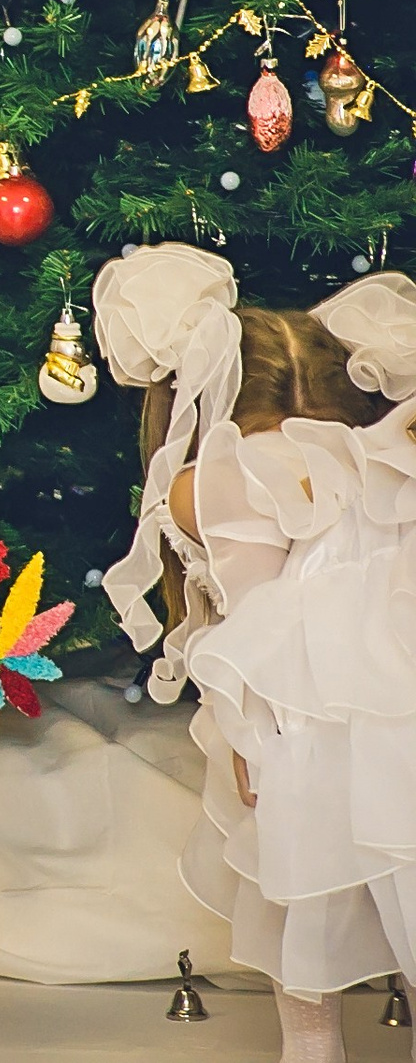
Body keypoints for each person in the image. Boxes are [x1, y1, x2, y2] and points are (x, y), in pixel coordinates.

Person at [93, 246, 416, 1063]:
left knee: (301, 912)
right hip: (397, 703)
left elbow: (255, 617)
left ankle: (312, 1050)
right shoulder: (380, 457)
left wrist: (247, 741)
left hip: (299, 727)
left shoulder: (211, 478)